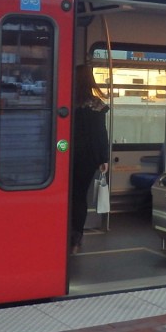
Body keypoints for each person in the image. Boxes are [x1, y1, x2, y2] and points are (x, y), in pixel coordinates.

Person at [71, 65, 109, 254]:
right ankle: (76, 238)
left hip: (65, 155)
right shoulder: (97, 105)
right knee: (79, 197)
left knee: (66, 196)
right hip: (88, 158)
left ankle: (62, 232)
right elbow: (100, 134)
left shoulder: (67, 101)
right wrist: (104, 158)